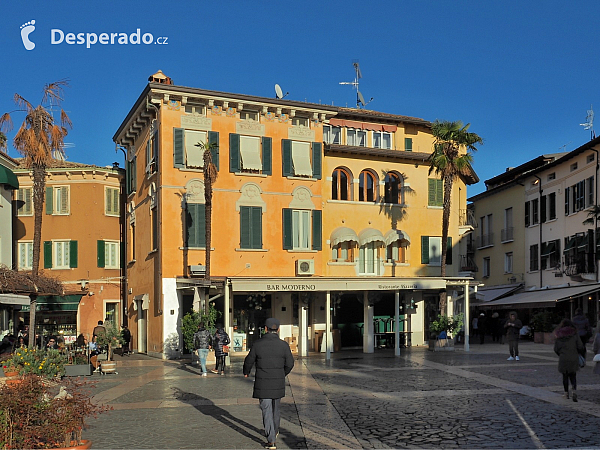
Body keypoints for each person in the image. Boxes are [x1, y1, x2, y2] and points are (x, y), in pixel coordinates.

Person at [243, 318, 294, 450]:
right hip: (278, 382)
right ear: (278, 329)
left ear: (265, 329)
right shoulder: (283, 345)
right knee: (276, 409)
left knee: (266, 410)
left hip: (262, 382)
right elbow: (290, 363)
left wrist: (246, 372)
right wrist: (283, 374)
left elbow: (249, 360)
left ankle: (271, 441)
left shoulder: (258, 344)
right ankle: (275, 431)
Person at [554, 319, 585, 402]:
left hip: (563, 357)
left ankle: (566, 393)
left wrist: (561, 354)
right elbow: (580, 346)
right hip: (573, 357)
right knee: (573, 375)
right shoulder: (574, 334)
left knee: (565, 376)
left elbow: (556, 348)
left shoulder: (559, 335)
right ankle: (574, 391)